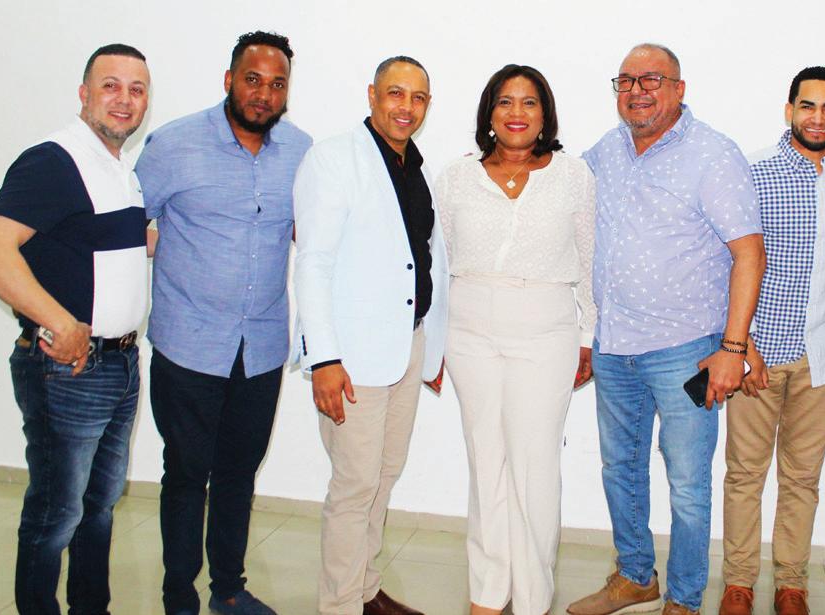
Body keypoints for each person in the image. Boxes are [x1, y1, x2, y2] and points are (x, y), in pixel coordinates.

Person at [566, 43, 765, 615]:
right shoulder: (606, 151)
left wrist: (733, 346)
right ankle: (635, 577)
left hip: (687, 351)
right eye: (626, 80)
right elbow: (559, 192)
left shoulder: (713, 154)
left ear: (679, 89)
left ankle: (684, 598)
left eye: (651, 79)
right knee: (621, 470)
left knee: (688, 484)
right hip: (614, 347)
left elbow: (749, 253)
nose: (637, 90)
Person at [135, 31, 312, 615]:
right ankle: (178, 594)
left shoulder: (301, 153)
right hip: (188, 344)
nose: (263, 94)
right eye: (253, 80)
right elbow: (128, 224)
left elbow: (312, 235)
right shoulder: (174, 144)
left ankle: (229, 590)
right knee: (187, 473)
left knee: (239, 473)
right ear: (230, 80)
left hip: (260, 346)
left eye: (277, 84)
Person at [0, 43, 150, 615]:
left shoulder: (119, 168)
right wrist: (58, 322)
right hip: (67, 368)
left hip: (119, 365)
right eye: (110, 86)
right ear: (84, 93)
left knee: (98, 506)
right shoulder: (53, 160)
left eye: (136, 89)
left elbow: (108, 245)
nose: (124, 99)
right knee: (57, 514)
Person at [434, 64, 596, 615]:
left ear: (545, 114)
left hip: (545, 326)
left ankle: (532, 596)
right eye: (505, 102)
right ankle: (487, 590)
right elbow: (439, 261)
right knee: (485, 459)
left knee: (534, 463)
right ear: (489, 113)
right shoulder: (457, 177)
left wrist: (589, 334)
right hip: (469, 326)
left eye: (529, 102)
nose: (517, 113)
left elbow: (590, 260)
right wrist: (434, 338)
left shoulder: (573, 175)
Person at [293, 55, 446, 615]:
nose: (406, 107)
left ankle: (365, 589)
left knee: (384, 476)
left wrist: (434, 347)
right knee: (354, 486)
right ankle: (339, 604)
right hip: (352, 357)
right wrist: (324, 359)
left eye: (418, 97)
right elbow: (313, 263)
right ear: (372, 95)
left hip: (407, 344)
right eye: (395, 93)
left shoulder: (414, 167)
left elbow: (421, 258)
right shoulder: (334, 158)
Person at [720, 66, 825, 615]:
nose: (817, 118)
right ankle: (738, 582)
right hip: (758, 352)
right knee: (744, 475)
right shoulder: (753, 171)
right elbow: (726, 263)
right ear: (789, 110)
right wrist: (743, 346)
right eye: (807, 106)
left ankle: (791, 585)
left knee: (803, 478)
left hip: (822, 356)